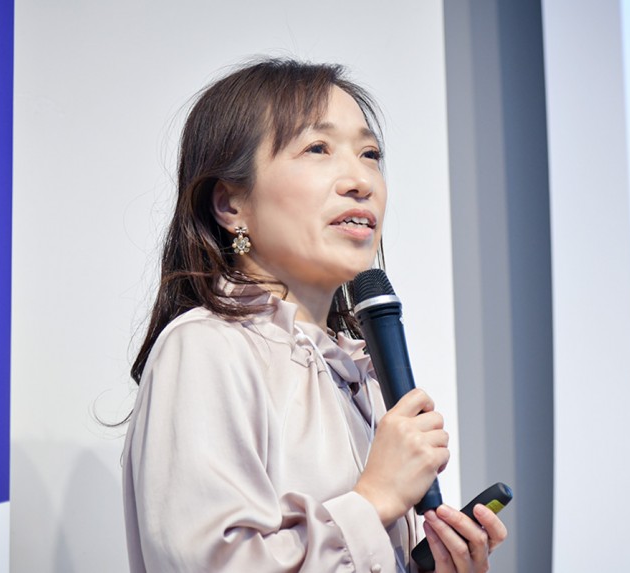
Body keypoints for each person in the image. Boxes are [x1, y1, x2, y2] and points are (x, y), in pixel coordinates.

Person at [122, 58, 507, 572]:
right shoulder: (205, 346)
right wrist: (374, 499)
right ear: (230, 203)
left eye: (370, 154)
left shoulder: (358, 374)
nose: (361, 181)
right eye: (318, 148)